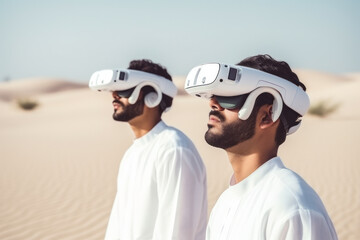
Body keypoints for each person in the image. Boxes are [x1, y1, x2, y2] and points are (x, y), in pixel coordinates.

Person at [184, 54, 338, 240]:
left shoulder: (292, 207)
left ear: (267, 116)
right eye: (215, 95)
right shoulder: (225, 203)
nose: (213, 103)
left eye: (230, 97)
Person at [89, 59, 207, 240]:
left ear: (153, 96)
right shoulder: (132, 153)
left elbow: (175, 233)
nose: (114, 95)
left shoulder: (174, 150)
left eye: (124, 90)